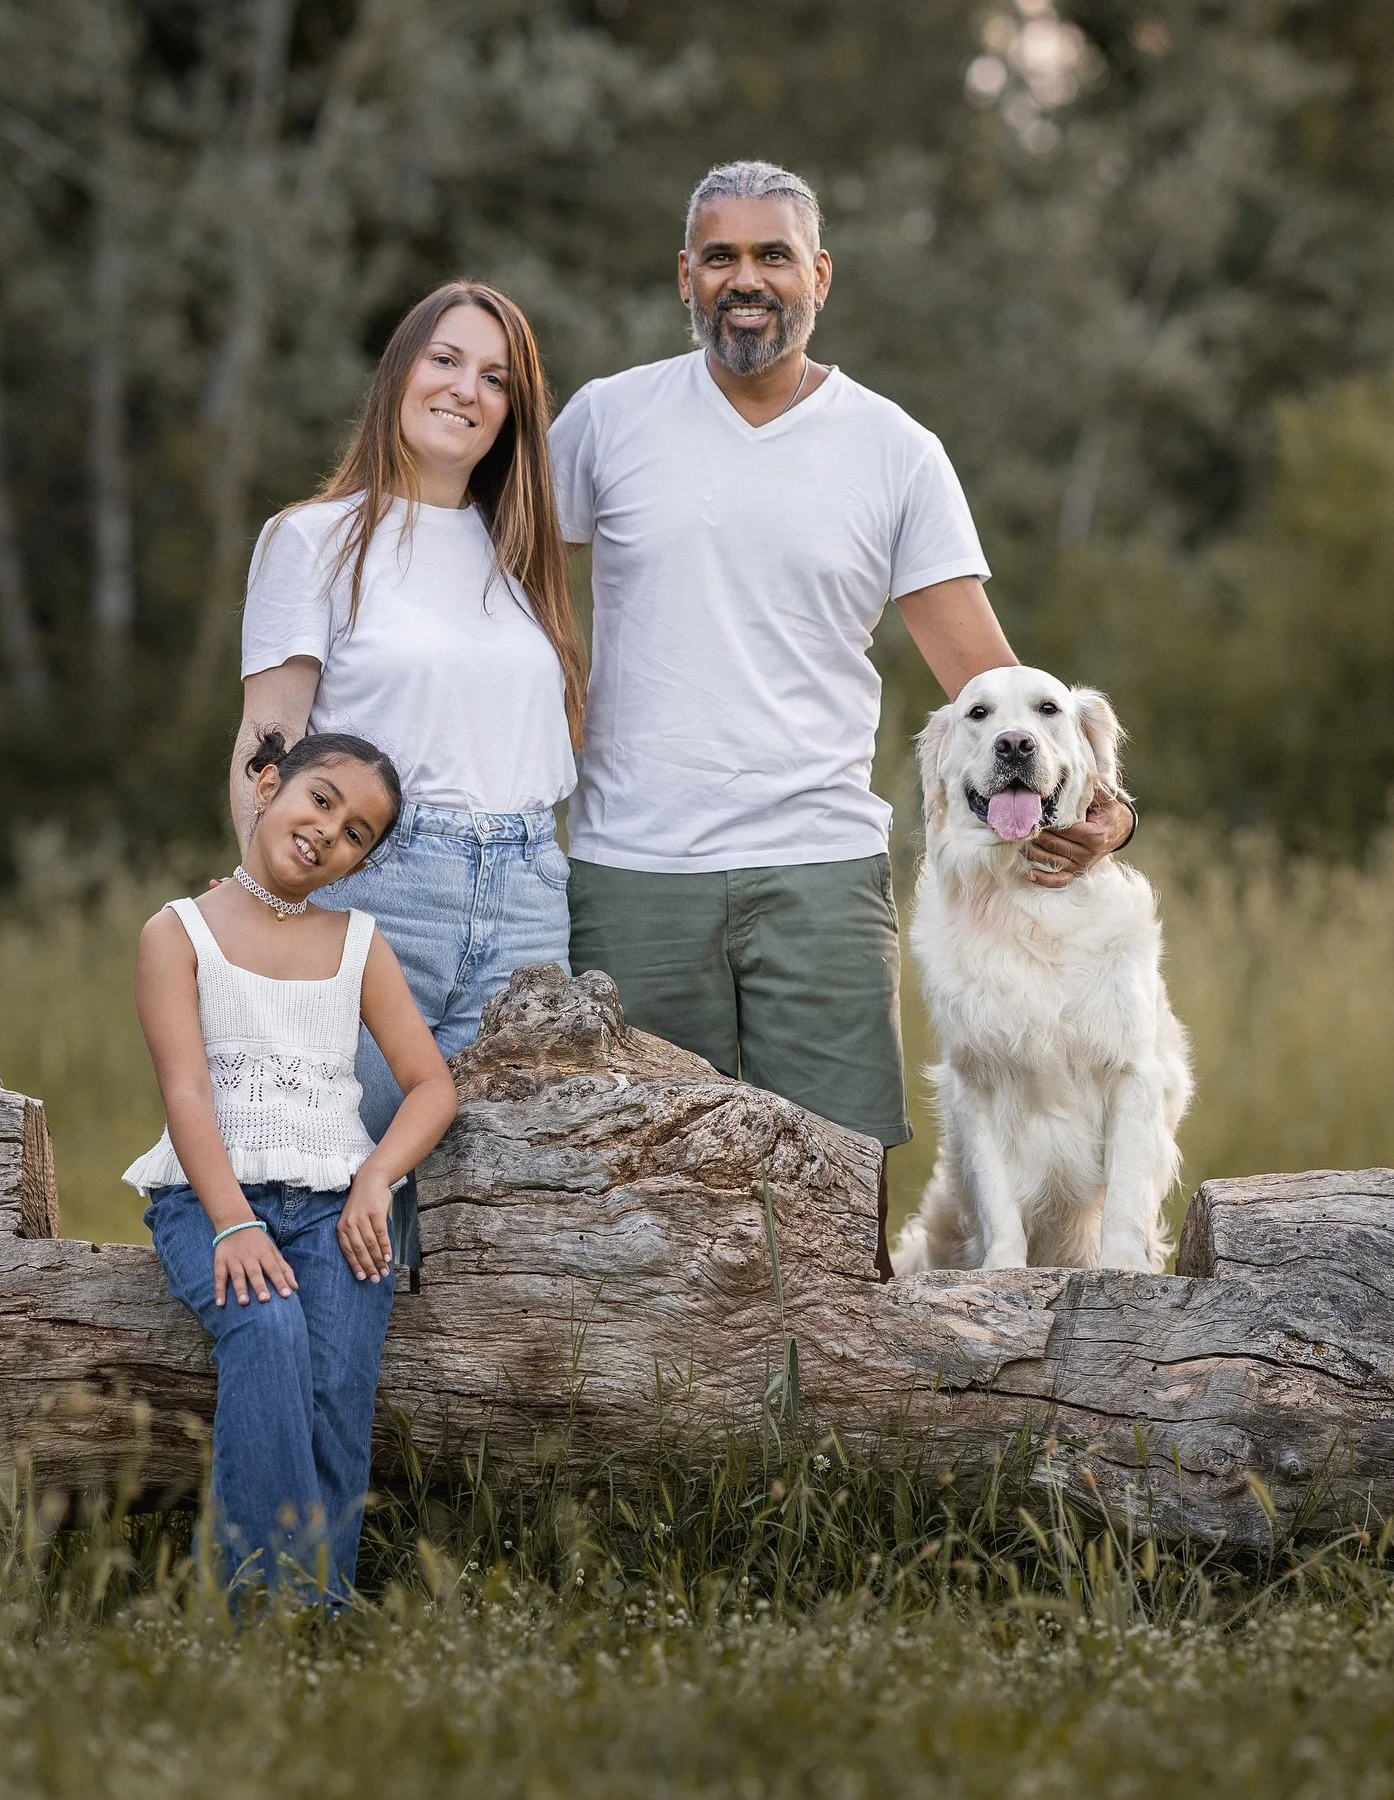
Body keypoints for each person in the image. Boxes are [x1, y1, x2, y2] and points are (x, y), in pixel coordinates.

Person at [549, 161, 1136, 1275]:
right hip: (631, 872)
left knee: (826, 1207)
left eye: (773, 256)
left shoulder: (894, 451)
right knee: (629, 1207)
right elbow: (501, 582)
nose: (746, 280)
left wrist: (1109, 808)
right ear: (685, 275)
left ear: (819, 275)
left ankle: (816, 1448)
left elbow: (988, 682)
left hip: (815, 873)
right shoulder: (605, 422)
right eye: (720, 257)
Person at [231, 281, 585, 1268]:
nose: (466, 389)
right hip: (380, 888)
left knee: (490, 1212)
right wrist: (265, 923)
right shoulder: (315, 540)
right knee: (324, 1185)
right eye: (445, 360)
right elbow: (268, 744)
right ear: (399, 371)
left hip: (527, 905)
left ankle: (430, 1424)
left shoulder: (518, 552)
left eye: (496, 378)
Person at [125, 729, 458, 1600]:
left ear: (357, 865)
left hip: (338, 1203)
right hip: (207, 1199)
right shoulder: (178, 931)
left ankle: (302, 1610)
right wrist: (233, 1221)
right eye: (321, 800)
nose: (328, 831)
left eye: (356, 834)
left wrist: (377, 1179)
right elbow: (189, 1095)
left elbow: (431, 1087)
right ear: (268, 784)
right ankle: (266, 1613)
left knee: (334, 1388)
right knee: (265, 1325)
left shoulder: (357, 943)